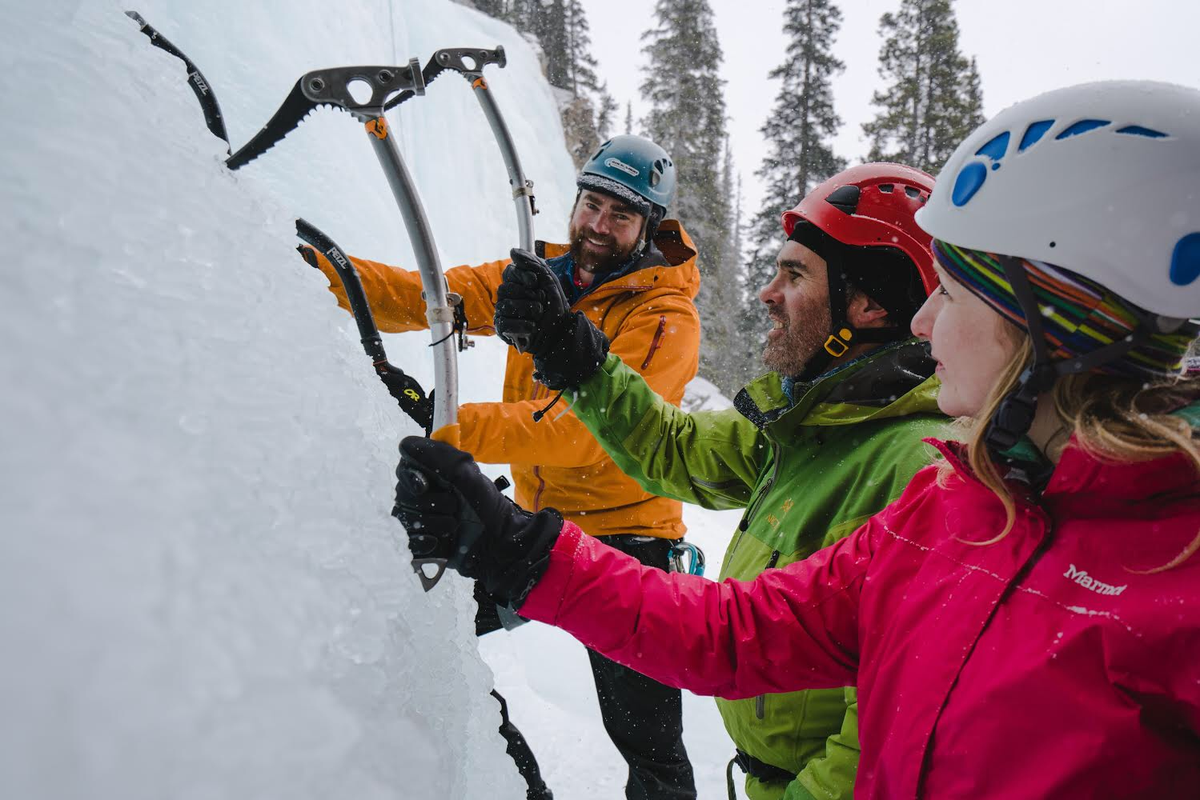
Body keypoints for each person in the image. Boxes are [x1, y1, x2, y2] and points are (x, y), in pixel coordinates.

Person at [392, 80, 1200, 797]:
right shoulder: (954, 507)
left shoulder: (929, 474)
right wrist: (523, 535)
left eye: (951, 295)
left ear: (1049, 325)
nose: (926, 323)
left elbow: (857, 750)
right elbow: (735, 631)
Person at [494, 163, 945, 800]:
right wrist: (578, 356)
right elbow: (675, 450)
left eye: (793, 275)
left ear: (869, 305)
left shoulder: (914, 466)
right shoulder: (815, 423)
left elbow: (881, 736)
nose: (766, 294)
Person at [301, 135, 702, 800]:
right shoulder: (539, 281)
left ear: (649, 228)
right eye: (591, 204)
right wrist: (322, 273)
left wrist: (446, 421)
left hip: (631, 545)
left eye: (620, 216)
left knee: (650, 749)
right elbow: (427, 295)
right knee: (432, 637)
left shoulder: (665, 318)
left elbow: (585, 434)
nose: (597, 226)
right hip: (538, 528)